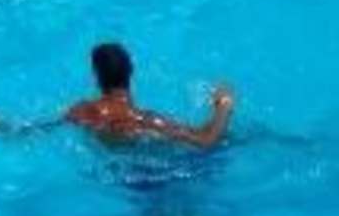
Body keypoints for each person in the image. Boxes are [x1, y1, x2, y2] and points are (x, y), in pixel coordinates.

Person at [66, 44, 234, 150]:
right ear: (131, 71)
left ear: (95, 75)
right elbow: (206, 141)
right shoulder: (145, 120)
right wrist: (223, 105)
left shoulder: (81, 111)